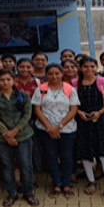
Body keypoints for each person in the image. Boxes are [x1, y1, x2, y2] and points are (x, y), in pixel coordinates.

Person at [0, 69, 39, 207]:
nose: (5, 82)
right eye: (2, 80)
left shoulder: (23, 95)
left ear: (14, 80)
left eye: (8, 79)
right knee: (7, 166)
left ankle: (29, 193)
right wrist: (6, 134)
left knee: (26, 165)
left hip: (23, 135)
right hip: (1, 137)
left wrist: (15, 131)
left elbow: (27, 114)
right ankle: (12, 193)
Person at [32, 63, 80, 199]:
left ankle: (66, 184)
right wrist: (49, 128)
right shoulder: (41, 89)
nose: (54, 76)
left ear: (62, 74)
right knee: (51, 156)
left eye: (57, 73)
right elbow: (37, 109)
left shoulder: (70, 89)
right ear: (46, 75)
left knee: (66, 156)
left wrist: (58, 127)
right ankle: (56, 184)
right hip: (45, 130)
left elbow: (74, 109)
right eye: (51, 74)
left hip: (67, 129)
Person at [74, 58, 104, 203]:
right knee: (86, 153)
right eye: (85, 66)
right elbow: (72, 104)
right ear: (80, 68)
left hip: (101, 121)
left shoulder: (103, 81)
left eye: (92, 66)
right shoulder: (75, 83)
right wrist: (79, 112)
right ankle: (91, 181)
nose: (88, 69)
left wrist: (99, 112)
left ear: (96, 67)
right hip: (82, 122)